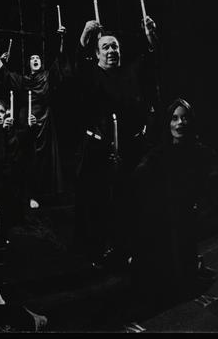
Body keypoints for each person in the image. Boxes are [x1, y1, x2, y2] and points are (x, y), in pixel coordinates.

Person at [131, 98, 218, 310]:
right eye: (174, 118)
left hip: (184, 223)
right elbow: (138, 181)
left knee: (181, 280)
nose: (179, 123)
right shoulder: (158, 154)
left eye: (184, 118)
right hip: (161, 224)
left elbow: (217, 182)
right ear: (168, 122)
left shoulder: (201, 153)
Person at [75, 16, 159, 268]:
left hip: (131, 150)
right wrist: (84, 37)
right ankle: (100, 252)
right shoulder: (92, 75)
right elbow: (77, 68)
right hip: (100, 152)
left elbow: (151, 62)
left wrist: (150, 37)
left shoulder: (129, 74)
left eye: (115, 46)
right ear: (97, 54)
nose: (111, 50)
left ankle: (130, 249)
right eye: (105, 47)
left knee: (131, 202)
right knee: (100, 203)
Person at [0, 26, 70, 208]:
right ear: (28, 63)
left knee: (47, 159)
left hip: (45, 121)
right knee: (29, 158)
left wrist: (62, 40)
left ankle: (48, 195)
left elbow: (60, 61)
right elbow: (7, 75)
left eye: (38, 58)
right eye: (32, 58)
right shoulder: (24, 80)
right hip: (27, 120)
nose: (35, 60)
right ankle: (31, 195)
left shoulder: (47, 77)